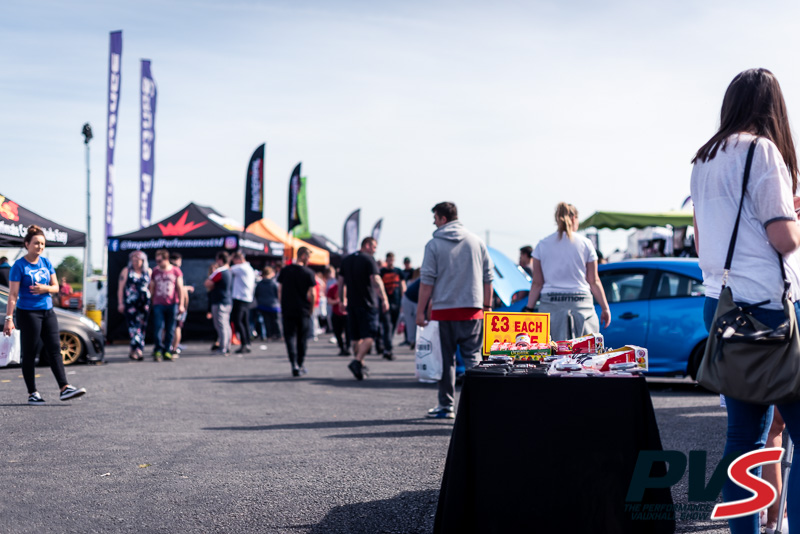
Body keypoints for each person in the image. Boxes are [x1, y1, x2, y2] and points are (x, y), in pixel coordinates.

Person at [691, 68, 800, 534]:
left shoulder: (703, 159)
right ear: (773, 107)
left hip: (721, 305)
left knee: (743, 439)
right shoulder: (763, 151)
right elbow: (784, 239)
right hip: (767, 311)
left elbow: (702, 244)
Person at [416, 202, 493, 418]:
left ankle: (446, 405)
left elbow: (426, 282)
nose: (433, 222)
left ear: (443, 218)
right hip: (473, 310)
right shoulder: (476, 241)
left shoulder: (433, 245)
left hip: (444, 311)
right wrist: (487, 307)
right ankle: (479, 405)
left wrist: (420, 311)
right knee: (473, 358)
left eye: (435, 218)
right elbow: (488, 278)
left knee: (445, 361)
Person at [3, 225, 86, 405]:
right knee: (30, 352)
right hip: (28, 313)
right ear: (27, 244)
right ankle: (32, 393)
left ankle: (64, 388)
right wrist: (9, 318)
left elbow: (56, 287)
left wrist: (45, 288)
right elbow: (13, 295)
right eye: (36, 243)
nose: (40, 246)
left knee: (55, 349)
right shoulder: (19, 266)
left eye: (42, 243)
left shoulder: (46, 263)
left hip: (48, 311)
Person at [524, 203, 611, 342]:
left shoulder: (542, 244)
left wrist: (529, 308)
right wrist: (605, 308)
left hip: (551, 305)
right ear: (574, 218)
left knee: (552, 352)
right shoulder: (586, 244)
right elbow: (594, 280)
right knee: (586, 352)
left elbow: (537, 283)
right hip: (581, 305)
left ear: (556, 219)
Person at [339, 237, 389, 380]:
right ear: (367, 245)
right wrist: (384, 298)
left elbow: (340, 282)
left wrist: (342, 300)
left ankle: (360, 365)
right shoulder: (368, 260)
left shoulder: (346, 260)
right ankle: (357, 361)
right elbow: (376, 279)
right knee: (370, 336)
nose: (375, 250)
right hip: (367, 304)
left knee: (356, 337)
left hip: (352, 304)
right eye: (374, 247)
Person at [277, 247, 316, 377]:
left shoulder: (285, 270)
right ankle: (300, 363)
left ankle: (294, 363)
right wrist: (311, 309)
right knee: (302, 338)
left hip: (288, 309)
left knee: (289, 337)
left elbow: (280, 290)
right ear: (303, 255)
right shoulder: (308, 272)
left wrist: (283, 304)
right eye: (308, 257)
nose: (309, 260)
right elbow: (313, 293)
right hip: (303, 309)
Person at [148, 249, 185, 361]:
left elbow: (180, 288)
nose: (158, 263)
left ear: (166, 259)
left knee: (170, 328)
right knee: (158, 327)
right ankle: (158, 350)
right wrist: (150, 301)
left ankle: (167, 350)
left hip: (172, 304)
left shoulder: (175, 271)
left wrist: (181, 304)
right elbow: (152, 287)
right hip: (158, 303)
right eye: (156, 261)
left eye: (160, 261)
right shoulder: (155, 271)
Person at [117, 250, 151, 361]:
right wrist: (120, 303)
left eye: (137, 260)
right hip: (131, 304)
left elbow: (151, 287)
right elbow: (121, 288)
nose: (135, 263)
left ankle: (134, 350)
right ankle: (138, 350)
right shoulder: (126, 271)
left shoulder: (148, 271)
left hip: (144, 304)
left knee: (142, 327)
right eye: (133, 260)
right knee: (133, 327)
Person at [378, 252, 406, 360]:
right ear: (386, 260)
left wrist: (403, 301)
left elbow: (403, 286)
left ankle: (387, 346)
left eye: (392, 259)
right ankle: (388, 349)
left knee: (393, 326)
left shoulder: (398, 271)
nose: (390, 261)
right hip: (386, 303)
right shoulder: (382, 272)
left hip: (396, 302)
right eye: (389, 259)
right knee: (387, 326)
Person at [205, 251, 233, 356]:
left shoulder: (220, 271)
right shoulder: (229, 271)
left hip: (220, 302)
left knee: (221, 326)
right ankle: (226, 347)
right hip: (227, 301)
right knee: (226, 325)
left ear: (220, 260)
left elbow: (207, 283)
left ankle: (223, 348)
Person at [230, 251, 256, 354]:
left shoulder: (240, 268)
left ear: (238, 259)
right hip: (247, 298)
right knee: (244, 322)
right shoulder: (249, 268)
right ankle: (247, 343)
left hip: (240, 298)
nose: (233, 263)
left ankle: (244, 344)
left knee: (238, 321)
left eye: (234, 260)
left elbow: (227, 269)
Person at [169, 252, 194, 357]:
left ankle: (172, 346)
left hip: (178, 305)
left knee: (174, 327)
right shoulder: (175, 271)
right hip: (175, 304)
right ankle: (172, 347)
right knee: (175, 327)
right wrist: (182, 305)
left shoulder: (174, 271)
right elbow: (179, 289)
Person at [325, 268, 350, 356]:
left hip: (347, 314)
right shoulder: (332, 288)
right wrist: (338, 301)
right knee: (337, 332)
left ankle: (347, 348)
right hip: (336, 313)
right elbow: (329, 301)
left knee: (348, 332)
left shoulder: (349, 287)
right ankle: (342, 347)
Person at [254, 266, 281, 341]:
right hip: (274, 305)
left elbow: (256, 294)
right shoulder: (274, 283)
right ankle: (277, 335)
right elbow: (278, 294)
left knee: (267, 322)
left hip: (262, 305)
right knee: (275, 321)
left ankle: (269, 335)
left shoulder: (259, 284)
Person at [401, 277, 420, 349]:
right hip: (409, 299)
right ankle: (412, 341)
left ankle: (416, 340)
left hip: (417, 300)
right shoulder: (426, 278)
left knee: (418, 322)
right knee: (410, 323)